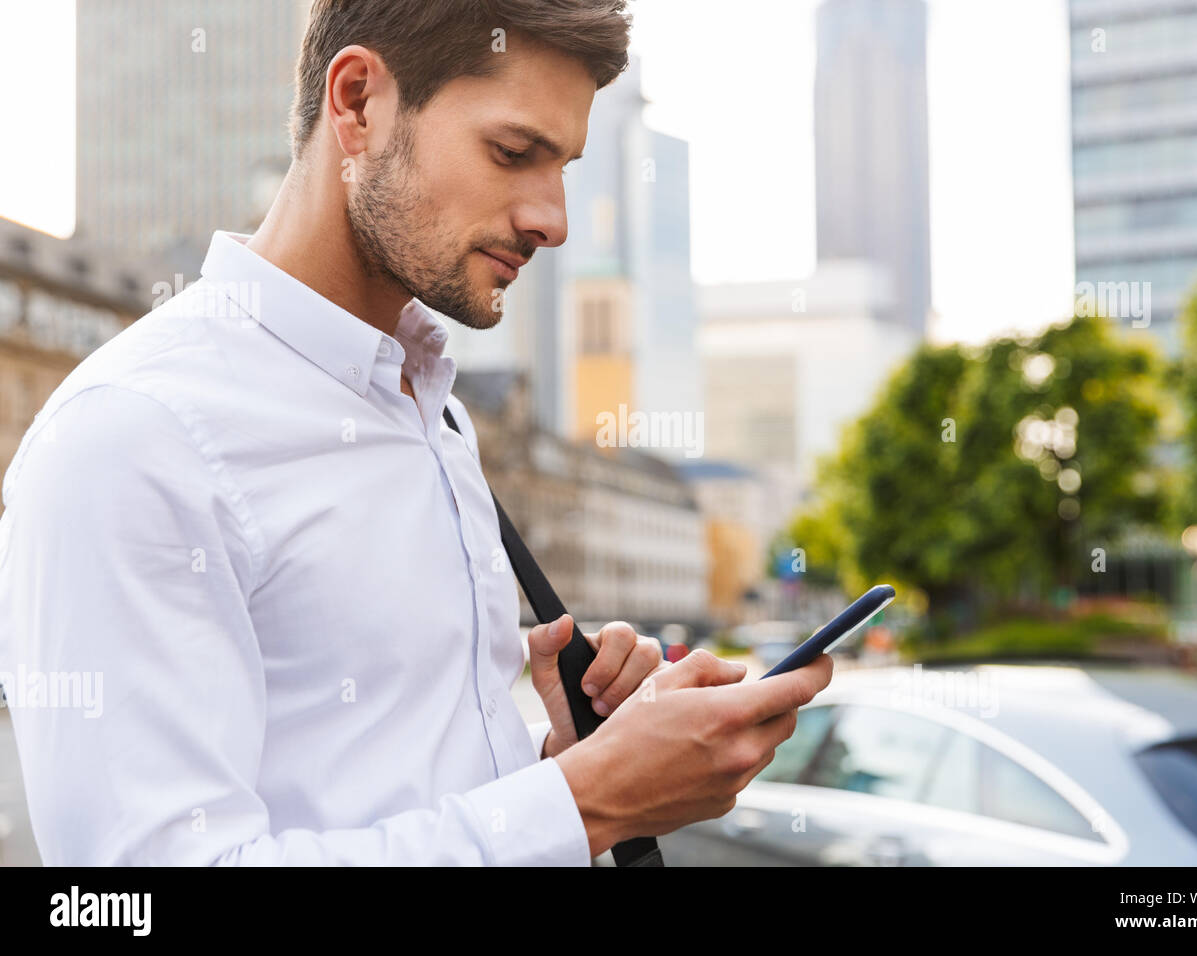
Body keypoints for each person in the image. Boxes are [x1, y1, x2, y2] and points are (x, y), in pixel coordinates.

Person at [0, 0, 831, 865]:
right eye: (514, 154)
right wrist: (587, 803)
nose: (554, 219)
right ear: (357, 103)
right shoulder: (132, 437)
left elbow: (416, 796)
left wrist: (572, 765)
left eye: (564, 168)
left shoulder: (435, 411)